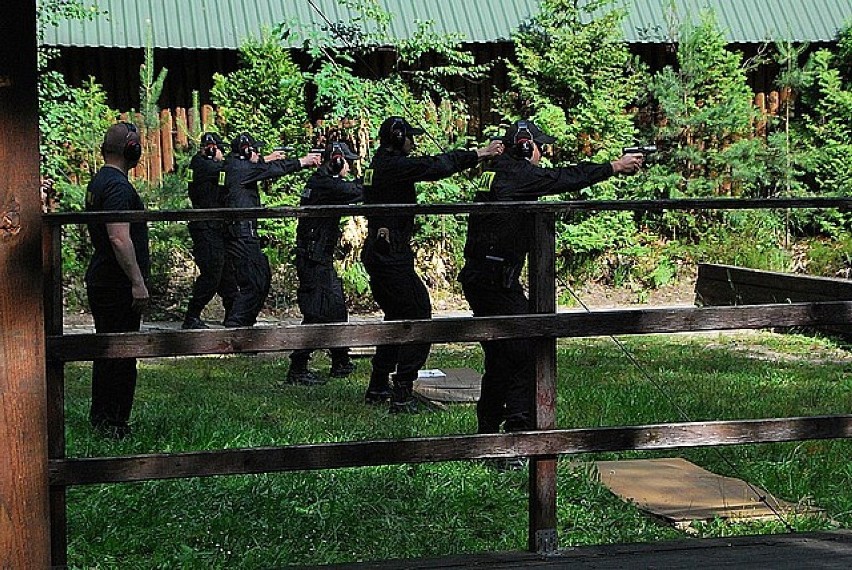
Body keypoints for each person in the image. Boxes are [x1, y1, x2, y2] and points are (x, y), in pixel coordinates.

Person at [459, 119, 643, 436]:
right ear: (527, 146)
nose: (543, 154)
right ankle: (520, 430)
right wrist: (614, 166)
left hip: (485, 277)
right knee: (528, 349)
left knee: (502, 358)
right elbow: (564, 178)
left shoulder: (498, 172)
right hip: (494, 280)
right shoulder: (517, 174)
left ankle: (488, 431)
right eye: (541, 148)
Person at [361, 116, 504, 412]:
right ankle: (401, 391)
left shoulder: (379, 165)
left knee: (396, 315)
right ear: (399, 138)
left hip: (381, 250)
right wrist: (480, 153)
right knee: (419, 315)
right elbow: (436, 166)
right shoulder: (394, 166)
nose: (413, 141)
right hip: (390, 254)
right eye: (410, 136)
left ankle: (378, 385)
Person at [84, 122, 149, 438]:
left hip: (104, 279)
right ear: (132, 148)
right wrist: (137, 281)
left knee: (107, 351)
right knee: (121, 353)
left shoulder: (100, 181)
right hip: (116, 283)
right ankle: (113, 424)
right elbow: (119, 238)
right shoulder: (119, 187)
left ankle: (103, 419)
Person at [222, 133, 321, 328]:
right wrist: (302, 162)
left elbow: (259, 167)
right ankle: (236, 325)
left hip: (240, 232)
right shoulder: (240, 169)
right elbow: (270, 170)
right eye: (255, 150)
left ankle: (241, 324)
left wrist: (267, 158)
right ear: (247, 151)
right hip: (242, 233)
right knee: (255, 281)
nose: (258, 153)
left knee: (260, 277)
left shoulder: (233, 165)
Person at [287, 141, 364, 385]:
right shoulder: (324, 184)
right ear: (338, 161)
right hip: (313, 256)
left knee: (336, 306)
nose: (349, 166)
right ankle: (298, 367)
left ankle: (340, 360)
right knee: (315, 311)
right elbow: (355, 192)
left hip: (319, 255)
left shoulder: (324, 182)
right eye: (347, 161)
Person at [182, 132, 237, 329]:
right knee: (212, 273)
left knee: (226, 272)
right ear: (211, 148)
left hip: (215, 227)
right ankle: (192, 316)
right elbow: (227, 169)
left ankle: (233, 316)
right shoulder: (201, 164)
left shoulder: (205, 166)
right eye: (219, 148)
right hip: (205, 227)